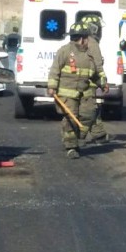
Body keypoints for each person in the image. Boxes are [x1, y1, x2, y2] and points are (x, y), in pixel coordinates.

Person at [47, 22, 105, 159]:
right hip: (67, 94)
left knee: (88, 114)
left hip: (84, 93)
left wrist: (102, 83)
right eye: (87, 39)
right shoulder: (64, 51)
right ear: (83, 38)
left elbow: (94, 72)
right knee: (70, 120)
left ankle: (79, 137)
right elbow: (55, 69)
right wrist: (52, 87)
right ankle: (71, 147)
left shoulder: (89, 54)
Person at [78, 14, 111, 145]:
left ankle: (99, 135)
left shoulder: (78, 41)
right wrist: (103, 82)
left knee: (91, 108)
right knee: (89, 110)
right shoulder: (93, 43)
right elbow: (98, 66)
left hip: (76, 82)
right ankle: (77, 137)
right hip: (88, 83)